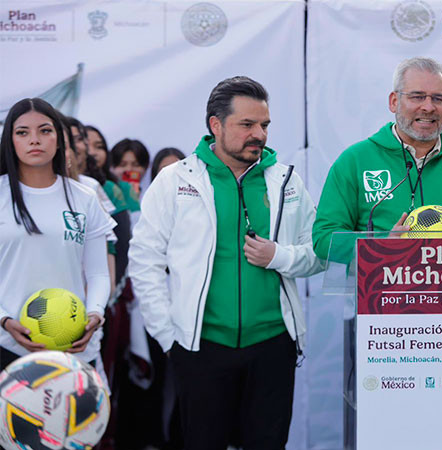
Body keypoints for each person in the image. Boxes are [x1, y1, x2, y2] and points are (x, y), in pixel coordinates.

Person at [129, 76, 323, 449]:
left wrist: (279, 256)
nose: (259, 134)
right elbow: (144, 260)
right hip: (201, 346)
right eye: (246, 124)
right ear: (215, 125)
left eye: (264, 125)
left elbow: (317, 253)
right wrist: (169, 337)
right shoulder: (175, 181)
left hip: (273, 345)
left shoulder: (287, 182)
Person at [312, 57, 442, 262]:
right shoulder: (355, 161)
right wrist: (381, 246)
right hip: (381, 291)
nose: (428, 107)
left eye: (438, 99)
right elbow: (324, 239)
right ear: (394, 101)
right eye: (417, 97)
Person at [0, 98, 115, 370]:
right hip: (5, 347)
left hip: (70, 350)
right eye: (22, 132)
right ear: (10, 141)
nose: (35, 140)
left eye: (45, 130)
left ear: (59, 139)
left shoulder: (85, 197)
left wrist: (95, 314)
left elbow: (98, 274)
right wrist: (4, 319)